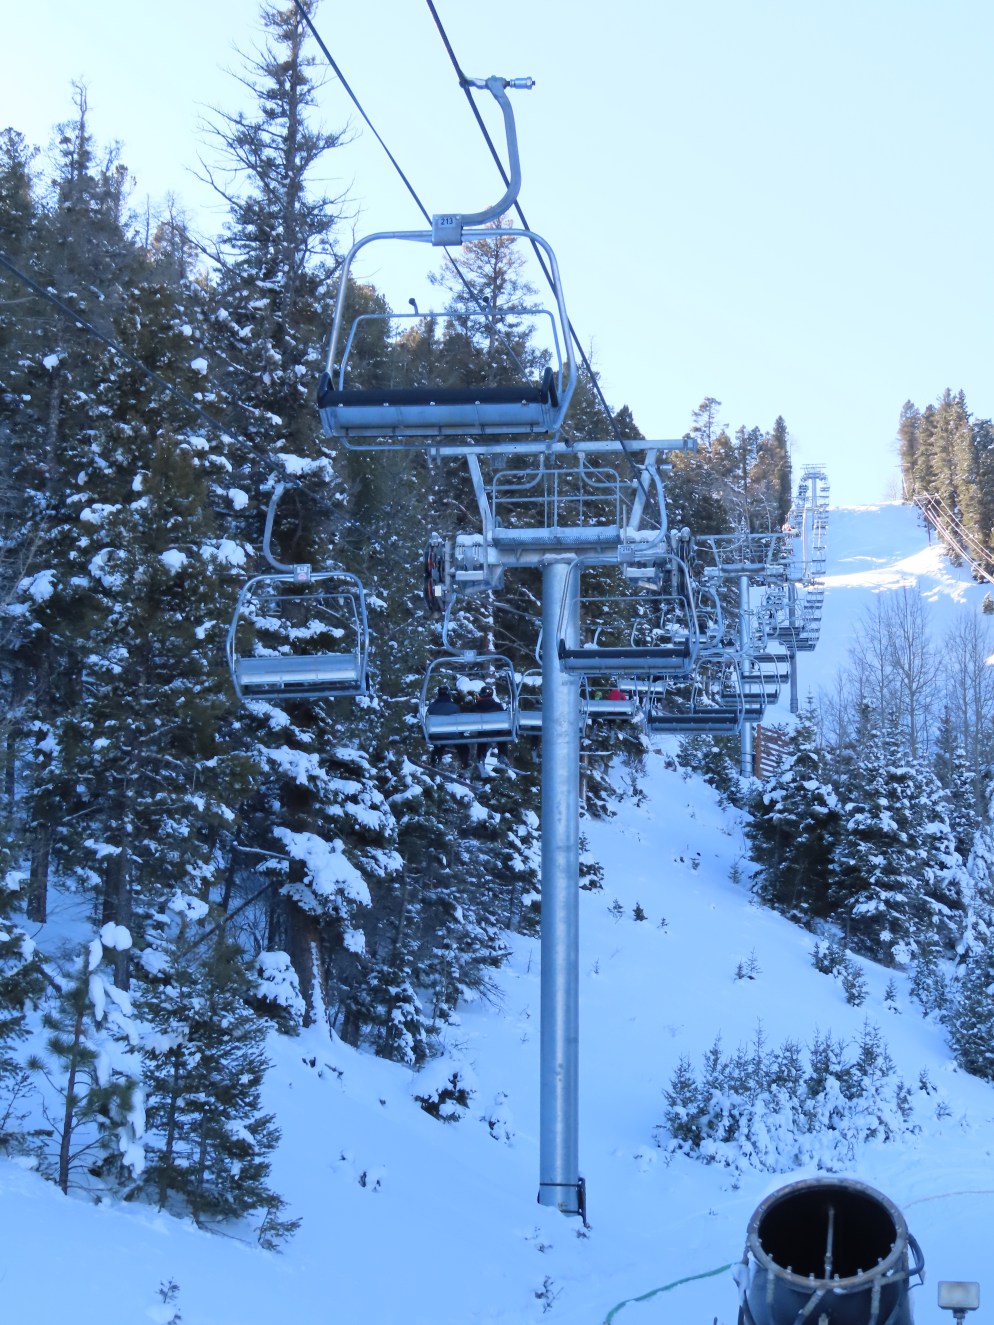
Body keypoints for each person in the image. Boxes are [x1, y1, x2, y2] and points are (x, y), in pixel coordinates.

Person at [426, 685, 470, 771]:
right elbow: (459, 721)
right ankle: (464, 764)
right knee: (463, 747)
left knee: (438, 746)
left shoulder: (431, 707)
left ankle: (435, 761)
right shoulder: (454, 707)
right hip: (451, 734)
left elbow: (427, 720)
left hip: (435, 734)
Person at [471, 684, 506, 777]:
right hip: (495, 731)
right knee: (503, 738)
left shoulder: (475, 706)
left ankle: (481, 757)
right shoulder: (498, 706)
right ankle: (502, 755)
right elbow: (503, 719)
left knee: (482, 740)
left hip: (481, 731)